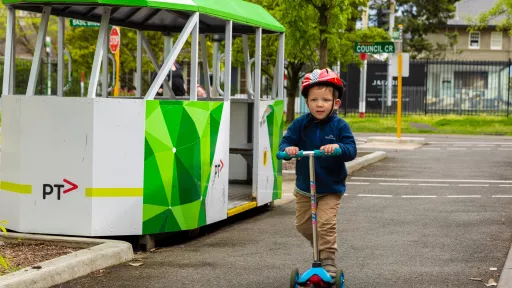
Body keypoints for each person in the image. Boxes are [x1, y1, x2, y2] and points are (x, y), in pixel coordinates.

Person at [278, 68, 357, 277]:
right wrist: (288, 151)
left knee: (325, 224)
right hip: (305, 187)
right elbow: (285, 144)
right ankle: (322, 250)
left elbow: (351, 150)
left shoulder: (340, 126)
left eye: (324, 100)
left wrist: (337, 148)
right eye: (314, 100)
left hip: (330, 187)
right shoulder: (300, 124)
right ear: (307, 102)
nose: (319, 104)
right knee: (303, 226)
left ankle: (328, 260)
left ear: (335, 103)